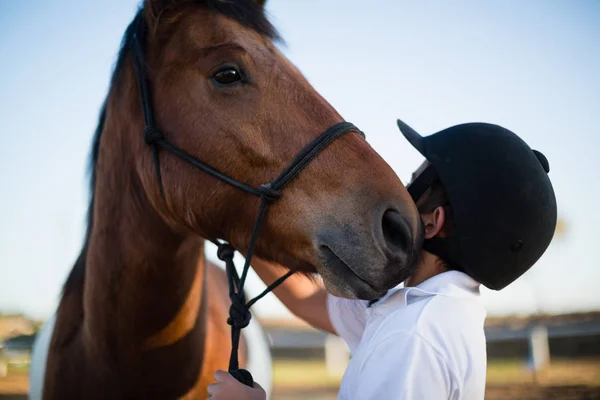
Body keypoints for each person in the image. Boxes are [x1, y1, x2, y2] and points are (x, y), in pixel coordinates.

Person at [207, 120, 557, 400]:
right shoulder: (427, 314)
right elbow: (309, 300)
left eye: (412, 184)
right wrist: (240, 225)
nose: (399, 192)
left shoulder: (414, 336)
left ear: (434, 222)